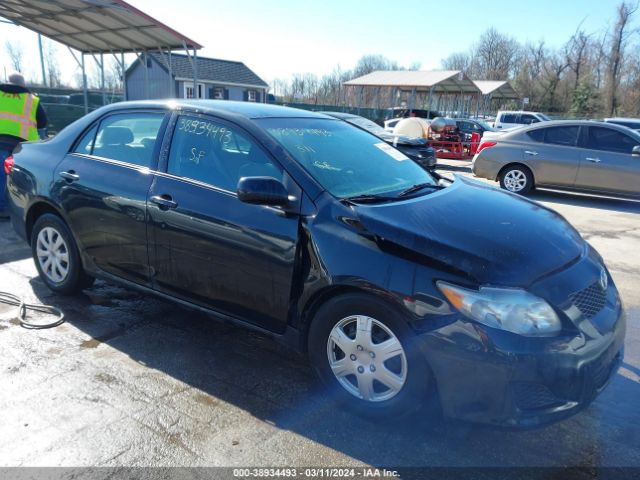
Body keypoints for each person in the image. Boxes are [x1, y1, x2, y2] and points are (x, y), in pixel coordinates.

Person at [0, 72, 48, 219]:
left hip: (1, 142)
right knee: (20, 176)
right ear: (23, 85)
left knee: (1, 176)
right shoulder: (32, 100)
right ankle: (19, 208)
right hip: (22, 146)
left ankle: (2, 209)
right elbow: (43, 123)